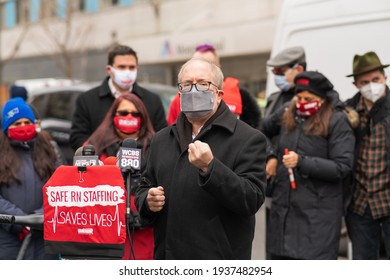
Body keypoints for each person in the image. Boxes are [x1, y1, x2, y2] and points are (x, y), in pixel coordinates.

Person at [135, 57, 267, 260]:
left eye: (203, 84)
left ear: (219, 94)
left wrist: (211, 168)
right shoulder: (162, 139)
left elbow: (251, 199)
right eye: (187, 84)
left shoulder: (248, 138)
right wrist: (147, 200)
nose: (194, 90)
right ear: (179, 93)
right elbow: (144, 185)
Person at [263, 71, 355, 259]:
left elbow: (342, 166)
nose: (302, 102)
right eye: (299, 96)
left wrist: (302, 162)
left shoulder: (337, 121)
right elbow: (261, 131)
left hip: (317, 220)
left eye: (308, 98)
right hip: (284, 213)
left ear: (322, 99)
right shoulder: (289, 112)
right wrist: (271, 156)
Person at [86, 93, 155, 260]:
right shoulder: (94, 146)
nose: (129, 117)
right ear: (113, 116)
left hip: (144, 241)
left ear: (143, 117)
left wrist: (145, 214)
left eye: (135, 113)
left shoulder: (158, 145)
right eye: (123, 113)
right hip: (105, 241)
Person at [70, 44, 167, 151]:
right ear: (109, 69)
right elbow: (77, 137)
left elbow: (162, 138)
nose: (127, 72)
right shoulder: (87, 100)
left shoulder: (152, 101)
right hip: (102, 164)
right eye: (122, 67)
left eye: (132, 67)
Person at [0, 98, 60, 260]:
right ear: (6, 128)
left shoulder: (50, 150)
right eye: (17, 124)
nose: (23, 127)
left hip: (44, 238)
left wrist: (39, 217)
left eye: (27, 122)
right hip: (8, 241)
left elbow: (61, 187)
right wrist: (20, 221)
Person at [344, 51, 390, 260]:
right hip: (360, 204)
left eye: (375, 80)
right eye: (364, 82)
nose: (371, 86)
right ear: (356, 85)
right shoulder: (346, 112)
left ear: (384, 78)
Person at [167, 44, 262, 129]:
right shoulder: (179, 99)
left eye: (208, 63)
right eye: (197, 62)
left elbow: (254, 125)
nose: (201, 68)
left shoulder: (240, 95)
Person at [262, 46, 306, 184]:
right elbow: (262, 130)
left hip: (303, 177)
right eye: (274, 71)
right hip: (276, 180)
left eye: (281, 71)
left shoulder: (314, 98)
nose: (277, 76)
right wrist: (271, 156)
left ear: (299, 69)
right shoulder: (273, 99)